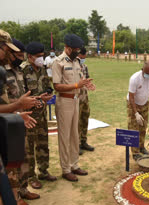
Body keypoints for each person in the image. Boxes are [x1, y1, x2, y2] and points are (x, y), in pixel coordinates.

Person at [5, 38, 40, 205]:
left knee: (23, 156)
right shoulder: (2, 71)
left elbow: (22, 93)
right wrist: (17, 110)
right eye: (17, 55)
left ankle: (24, 188)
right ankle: (15, 195)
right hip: (8, 121)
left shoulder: (19, 70)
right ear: (9, 53)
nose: (20, 57)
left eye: (21, 55)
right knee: (12, 160)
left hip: (20, 118)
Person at [52, 34, 93, 182]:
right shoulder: (58, 62)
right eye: (75, 49)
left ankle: (74, 165)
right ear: (68, 48)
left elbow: (79, 80)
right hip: (64, 101)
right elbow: (57, 86)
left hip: (76, 100)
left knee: (75, 135)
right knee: (65, 136)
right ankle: (66, 169)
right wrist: (76, 86)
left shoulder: (76, 62)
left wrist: (86, 84)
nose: (77, 51)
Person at [21, 42, 56, 190]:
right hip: (28, 116)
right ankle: (31, 177)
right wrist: (38, 98)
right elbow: (20, 96)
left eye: (42, 56)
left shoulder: (43, 70)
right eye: (38, 56)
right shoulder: (22, 71)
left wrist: (48, 95)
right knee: (29, 148)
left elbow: (48, 87)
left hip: (41, 114)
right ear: (29, 57)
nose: (41, 59)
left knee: (43, 144)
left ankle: (43, 171)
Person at [127, 60, 149, 161]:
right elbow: (131, 97)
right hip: (133, 104)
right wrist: (135, 113)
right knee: (134, 129)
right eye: (147, 73)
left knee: (143, 127)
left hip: (145, 103)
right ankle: (135, 153)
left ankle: (141, 146)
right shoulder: (134, 78)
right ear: (142, 70)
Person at [77, 47, 95, 155]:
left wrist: (89, 85)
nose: (85, 58)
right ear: (80, 55)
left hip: (84, 98)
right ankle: (77, 144)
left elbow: (87, 79)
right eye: (84, 56)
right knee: (77, 122)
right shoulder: (74, 67)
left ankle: (83, 141)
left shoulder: (84, 66)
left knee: (85, 119)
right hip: (76, 98)